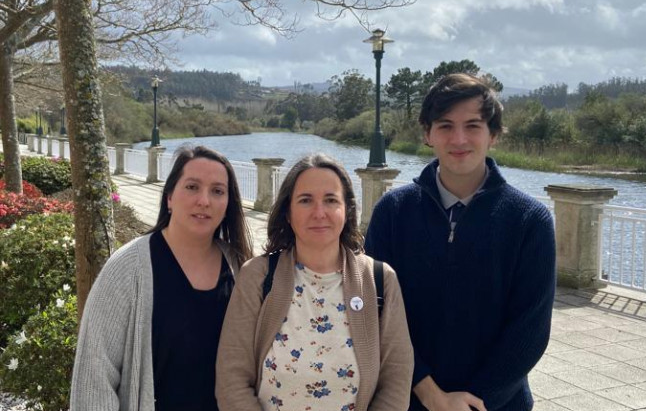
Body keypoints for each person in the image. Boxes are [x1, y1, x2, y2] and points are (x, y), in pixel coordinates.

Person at [364, 74, 556, 411]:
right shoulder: (393, 213)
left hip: (498, 404)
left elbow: (529, 330)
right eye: (445, 126)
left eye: (473, 125)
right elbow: (376, 310)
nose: (459, 138)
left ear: (493, 134)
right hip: (406, 401)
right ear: (427, 134)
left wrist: (475, 403)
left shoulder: (530, 221)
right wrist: (430, 394)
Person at [216, 154, 414, 411]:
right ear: (288, 212)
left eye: (331, 200)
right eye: (305, 200)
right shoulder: (257, 276)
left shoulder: (379, 281)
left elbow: (396, 379)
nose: (319, 213)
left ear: (347, 210)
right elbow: (232, 380)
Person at [70, 145, 253, 411]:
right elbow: (94, 377)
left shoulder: (240, 266)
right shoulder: (127, 269)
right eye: (192, 187)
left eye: (217, 191)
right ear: (169, 196)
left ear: (228, 204)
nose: (204, 200)